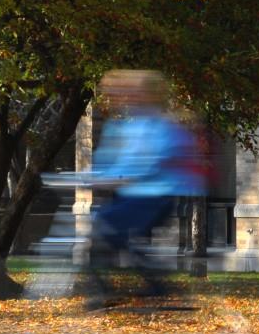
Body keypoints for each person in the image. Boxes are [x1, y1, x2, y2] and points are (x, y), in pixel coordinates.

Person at [83, 69, 204, 308]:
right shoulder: (121, 128)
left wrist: (120, 178)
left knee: (109, 231)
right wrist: (93, 177)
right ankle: (151, 289)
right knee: (105, 238)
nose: (119, 99)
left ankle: (157, 289)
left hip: (155, 197)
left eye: (126, 93)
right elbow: (109, 162)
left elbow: (153, 162)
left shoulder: (162, 127)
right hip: (129, 197)